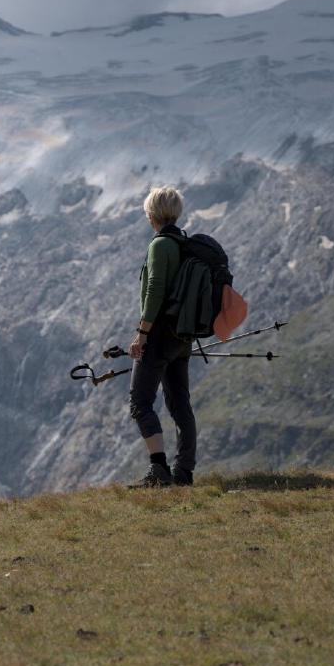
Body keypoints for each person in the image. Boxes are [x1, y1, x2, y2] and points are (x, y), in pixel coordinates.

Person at [128, 186, 196, 488]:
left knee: (140, 402)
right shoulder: (185, 244)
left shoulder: (160, 245)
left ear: (151, 213)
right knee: (180, 403)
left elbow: (155, 289)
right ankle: (184, 472)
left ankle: (159, 470)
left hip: (158, 334)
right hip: (182, 335)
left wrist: (142, 333)